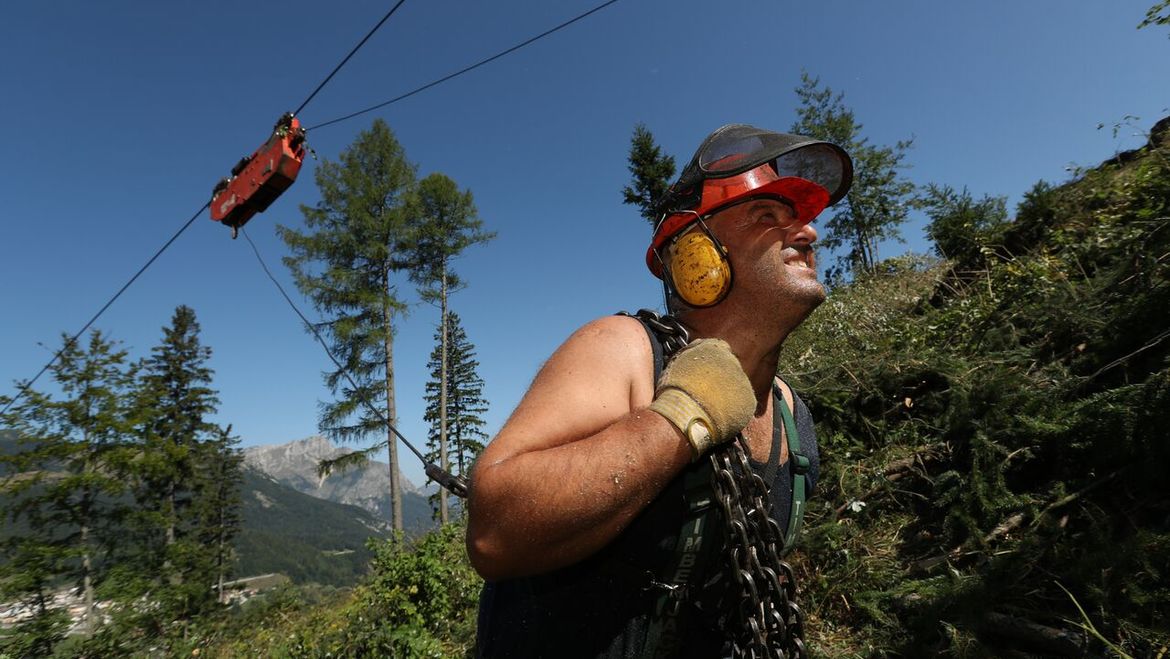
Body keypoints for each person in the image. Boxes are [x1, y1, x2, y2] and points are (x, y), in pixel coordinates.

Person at [466, 124, 853, 658]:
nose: (807, 234)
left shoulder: (793, 417)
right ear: (697, 255)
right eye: (767, 215)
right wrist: (681, 414)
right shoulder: (623, 351)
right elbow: (494, 532)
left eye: (803, 218)